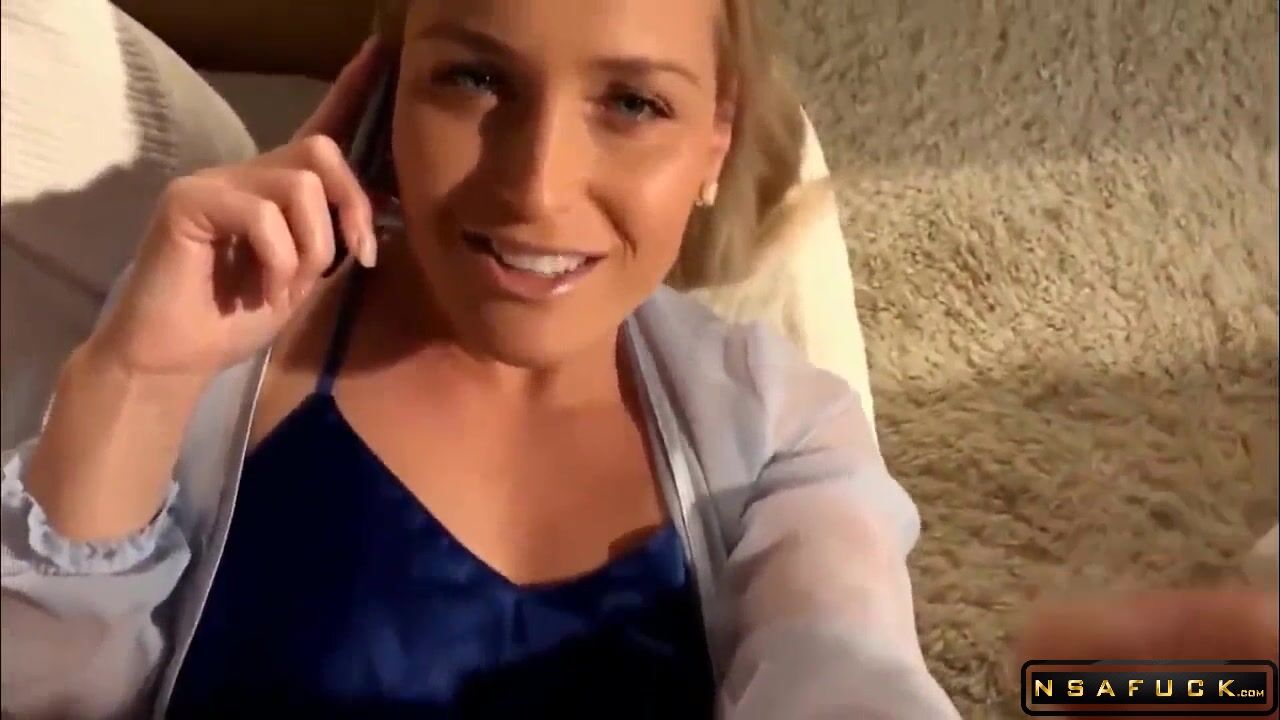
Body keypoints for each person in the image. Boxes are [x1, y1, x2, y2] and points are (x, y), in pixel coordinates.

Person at [2, 1, 1271, 719]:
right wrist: (133, 379)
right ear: (383, 92)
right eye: (473, 79)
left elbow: (845, 669)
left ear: (716, 140)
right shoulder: (222, 354)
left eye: (632, 104)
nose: (535, 188)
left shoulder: (778, 428)